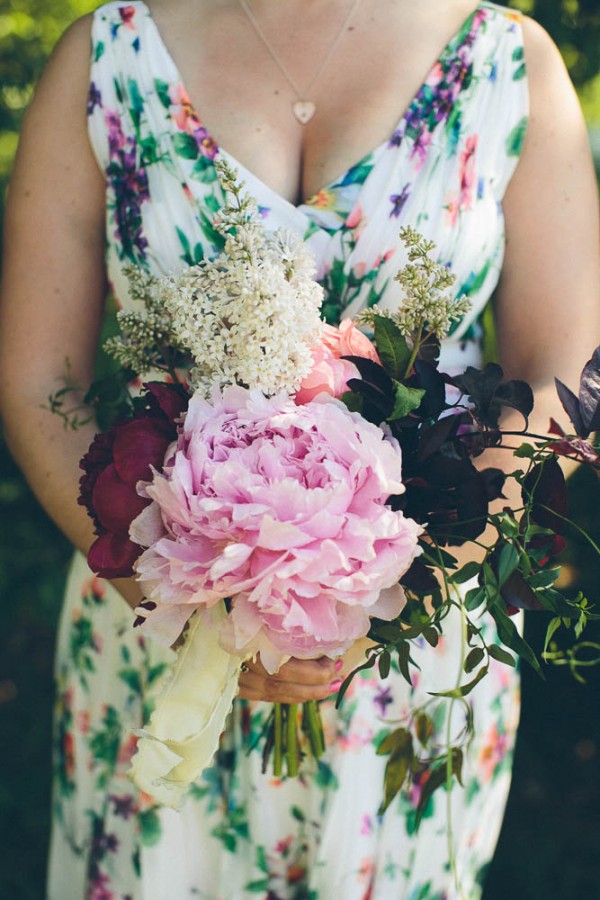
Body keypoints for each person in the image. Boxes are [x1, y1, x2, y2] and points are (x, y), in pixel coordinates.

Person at [1, 0, 598, 896]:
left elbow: (564, 370)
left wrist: (391, 603)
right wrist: (192, 618)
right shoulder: (107, 58)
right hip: (162, 624)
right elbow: (37, 379)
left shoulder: (508, 63)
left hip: (414, 648)